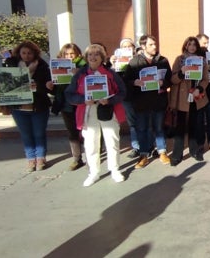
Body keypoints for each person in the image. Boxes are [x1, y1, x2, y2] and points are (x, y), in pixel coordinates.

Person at [65, 43, 126, 186]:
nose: (93, 57)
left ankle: (115, 170)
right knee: (91, 144)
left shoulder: (111, 74)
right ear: (86, 57)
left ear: (102, 57)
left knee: (112, 142)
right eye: (90, 54)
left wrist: (110, 100)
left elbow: (123, 92)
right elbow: (69, 94)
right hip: (88, 112)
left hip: (108, 110)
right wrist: (83, 100)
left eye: (97, 54)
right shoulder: (80, 74)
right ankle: (93, 172)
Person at [0, 41, 51, 172]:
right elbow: (5, 84)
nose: (27, 55)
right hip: (19, 107)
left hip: (38, 106)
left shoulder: (42, 66)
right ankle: (30, 159)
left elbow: (48, 87)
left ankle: (40, 158)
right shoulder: (11, 65)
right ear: (19, 53)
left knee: (39, 133)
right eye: (24, 53)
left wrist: (38, 86)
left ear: (35, 53)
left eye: (29, 53)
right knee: (26, 135)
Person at [124, 35, 172, 168]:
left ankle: (162, 151)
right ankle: (144, 155)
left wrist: (163, 82)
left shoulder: (162, 60)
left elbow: (170, 79)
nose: (154, 47)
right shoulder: (134, 62)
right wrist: (135, 82)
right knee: (142, 128)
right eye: (151, 45)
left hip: (158, 101)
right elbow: (126, 80)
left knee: (159, 128)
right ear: (143, 46)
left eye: (155, 44)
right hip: (141, 102)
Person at [46, 43, 87, 170]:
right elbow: (56, 89)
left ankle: (92, 156)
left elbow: (89, 84)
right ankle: (77, 158)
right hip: (66, 104)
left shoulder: (84, 66)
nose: (69, 56)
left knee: (87, 130)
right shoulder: (57, 67)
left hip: (82, 103)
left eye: (72, 54)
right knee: (72, 131)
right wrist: (50, 87)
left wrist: (79, 74)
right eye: (66, 54)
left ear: (78, 54)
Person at [169, 36, 209, 165]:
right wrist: (181, 72)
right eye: (189, 44)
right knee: (180, 127)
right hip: (182, 97)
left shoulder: (202, 61)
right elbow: (173, 79)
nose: (192, 47)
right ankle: (177, 155)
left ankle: (194, 151)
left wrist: (199, 88)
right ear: (185, 46)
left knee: (195, 125)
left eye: (194, 45)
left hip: (196, 96)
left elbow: (206, 79)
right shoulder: (179, 60)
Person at [110, 38, 142, 158]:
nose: (127, 49)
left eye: (129, 46)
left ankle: (149, 145)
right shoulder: (117, 61)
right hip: (127, 96)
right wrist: (113, 64)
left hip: (140, 95)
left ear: (134, 48)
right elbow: (113, 78)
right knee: (132, 123)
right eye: (124, 47)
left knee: (145, 121)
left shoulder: (139, 59)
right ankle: (136, 147)